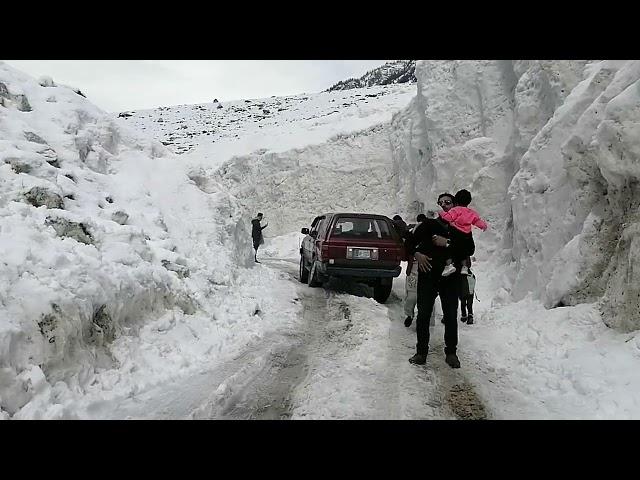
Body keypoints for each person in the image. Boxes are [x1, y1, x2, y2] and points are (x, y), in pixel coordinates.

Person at [404, 194, 462, 369]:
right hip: (428, 274)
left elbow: (468, 249)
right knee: (423, 315)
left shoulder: (461, 227)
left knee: (451, 315)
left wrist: (449, 242)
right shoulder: (429, 225)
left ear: (455, 205)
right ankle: (421, 352)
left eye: (448, 202)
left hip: (450, 277)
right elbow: (408, 241)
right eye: (441, 202)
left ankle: (451, 352)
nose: (445, 205)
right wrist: (417, 254)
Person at [438, 189, 487, 276]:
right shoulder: (472, 212)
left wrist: (442, 214)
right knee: (464, 252)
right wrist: (483, 226)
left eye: (447, 202)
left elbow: (449, 218)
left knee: (450, 249)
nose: (443, 205)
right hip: (466, 234)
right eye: (440, 203)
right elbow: (477, 221)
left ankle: (449, 265)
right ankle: (464, 267)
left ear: (456, 201)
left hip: (456, 232)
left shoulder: (456, 210)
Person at [404, 213, 432, 328]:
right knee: (413, 296)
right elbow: (407, 251)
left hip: (427, 269)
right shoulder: (412, 236)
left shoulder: (432, 238)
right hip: (416, 269)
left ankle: (423, 319)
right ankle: (411, 316)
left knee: (417, 296)